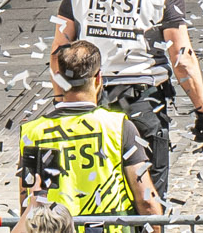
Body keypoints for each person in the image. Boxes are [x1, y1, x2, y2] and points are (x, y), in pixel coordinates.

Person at [51, 0, 203, 198]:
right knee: (148, 201)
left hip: (93, 102)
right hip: (144, 104)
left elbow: (58, 53)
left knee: (94, 197)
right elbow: (182, 60)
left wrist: (61, 101)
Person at [19, 40, 160, 224]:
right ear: (99, 78)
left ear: (59, 79)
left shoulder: (34, 133)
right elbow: (146, 200)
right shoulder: (118, 126)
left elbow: (27, 206)